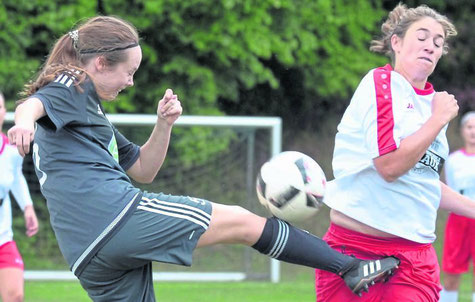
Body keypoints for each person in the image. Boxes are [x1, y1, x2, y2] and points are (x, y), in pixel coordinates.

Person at [7, 16, 398, 301]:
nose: (131, 81)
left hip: (87, 255)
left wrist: (164, 125)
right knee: (245, 223)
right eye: (129, 72)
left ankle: (348, 267)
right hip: (114, 219)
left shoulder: (89, 114)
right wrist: (22, 123)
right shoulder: (71, 84)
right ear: (100, 63)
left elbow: (143, 169)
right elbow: (35, 104)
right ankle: (349, 267)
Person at [314, 3, 472, 302]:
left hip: (414, 260)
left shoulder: (434, 105)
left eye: (438, 43)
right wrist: (438, 119)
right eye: (422, 37)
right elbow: (389, 166)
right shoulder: (382, 83)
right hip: (353, 252)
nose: (431, 46)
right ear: (396, 43)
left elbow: (421, 182)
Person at [0, 91, 39, 302]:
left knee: (15, 296)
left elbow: (14, 177)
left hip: (3, 237)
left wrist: (28, 207)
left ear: (4, 112)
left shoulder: (11, 151)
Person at [439, 111, 475, 302]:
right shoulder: (453, 160)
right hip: (459, 220)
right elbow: (449, 188)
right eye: (469, 127)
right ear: (463, 131)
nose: (473, 132)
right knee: (452, 274)